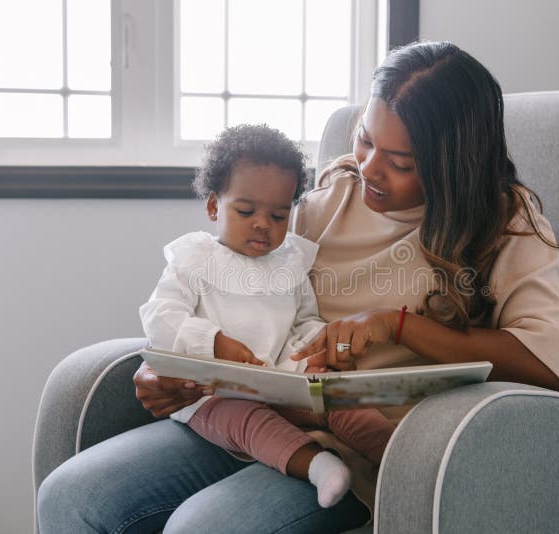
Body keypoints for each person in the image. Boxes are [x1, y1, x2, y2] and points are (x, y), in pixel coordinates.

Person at [37, 41, 559, 534]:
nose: (369, 168)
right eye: (365, 140)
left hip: (366, 449)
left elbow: (546, 366)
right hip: (253, 416)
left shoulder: (505, 222)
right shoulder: (327, 198)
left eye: (400, 162)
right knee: (69, 498)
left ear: (453, 164)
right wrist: (175, 367)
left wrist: (398, 326)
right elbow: (233, 292)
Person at [138, 124, 394, 509]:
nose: (263, 223)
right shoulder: (194, 259)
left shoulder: (289, 261)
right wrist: (213, 343)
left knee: (340, 398)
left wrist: (315, 348)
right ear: (213, 207)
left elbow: (304, 320)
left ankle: (400, 457)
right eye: (246, 211)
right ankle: (317, 465)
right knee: (246, 420)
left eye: (278, 214)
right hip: (214, 394)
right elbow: (161, 316)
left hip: (281, 378)